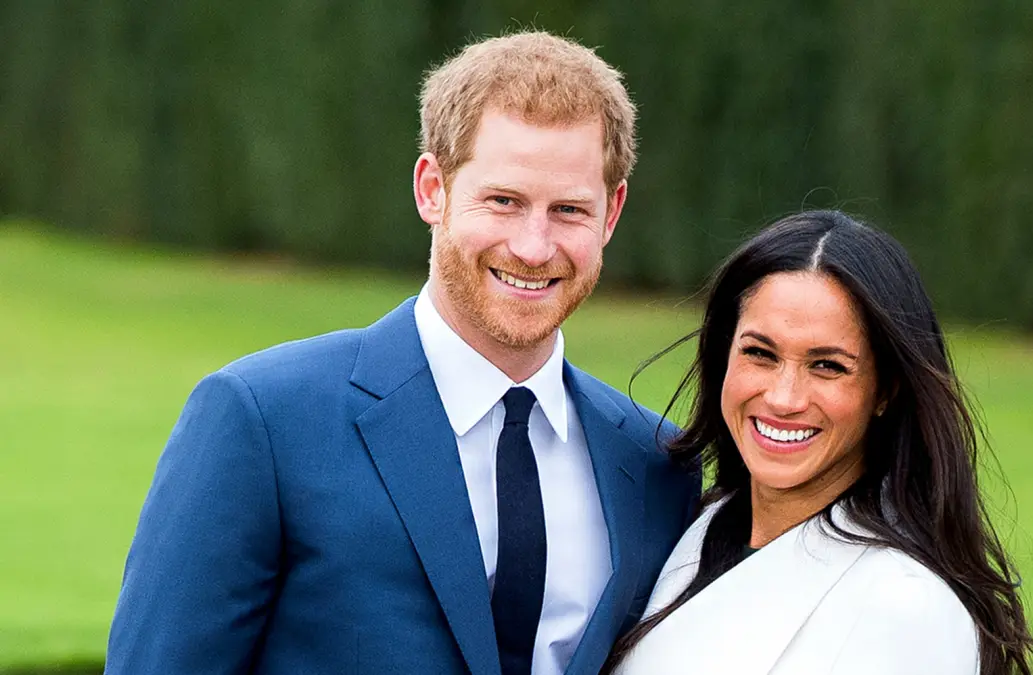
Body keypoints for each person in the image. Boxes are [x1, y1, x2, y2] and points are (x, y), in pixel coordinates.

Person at [105, 31, 698, 675]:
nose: (533, 245)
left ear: (611, 213)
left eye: (569, 210)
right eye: (503, 201)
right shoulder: (265, 419)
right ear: (431, 190)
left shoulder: (656, 463)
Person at [605, 211, 1033, 674]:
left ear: (885, 391)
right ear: (724, 357)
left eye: (827, 366)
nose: (783, 397)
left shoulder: (905, 604)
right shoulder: (694, 525)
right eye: (760, 353)